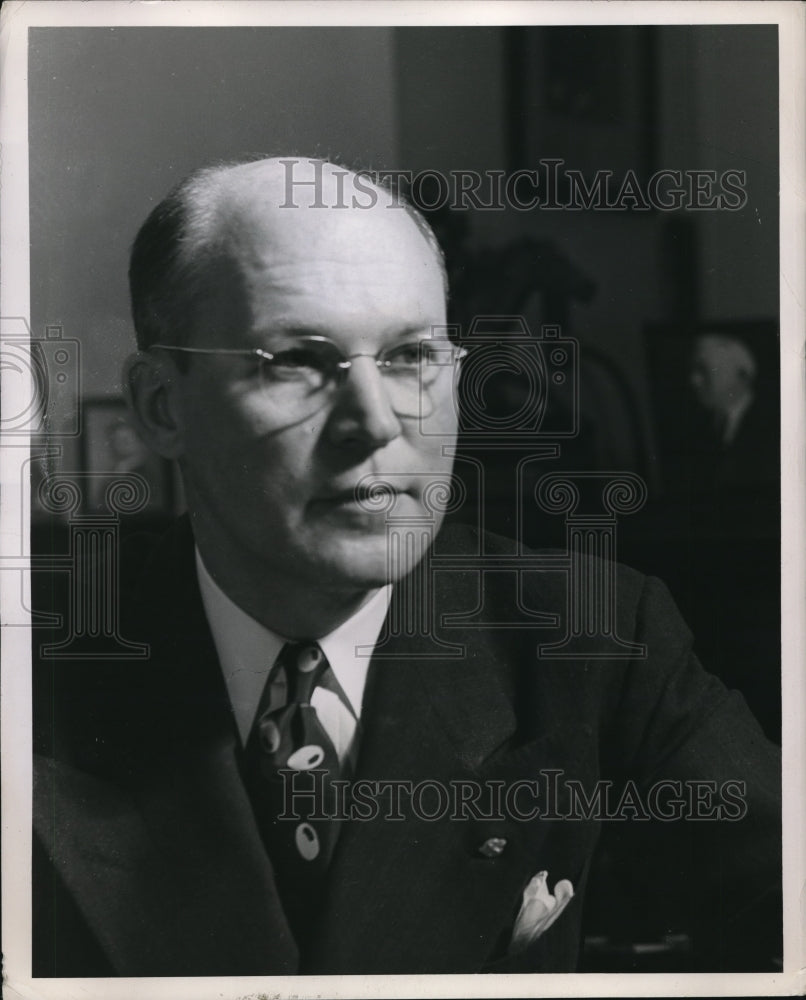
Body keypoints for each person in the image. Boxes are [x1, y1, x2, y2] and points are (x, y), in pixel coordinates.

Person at [32, 157, 781, 977]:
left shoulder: (594, 636)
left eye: (411, 355)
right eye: (295, 361)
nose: (374, 422)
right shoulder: (38, 664)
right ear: (161, 406)